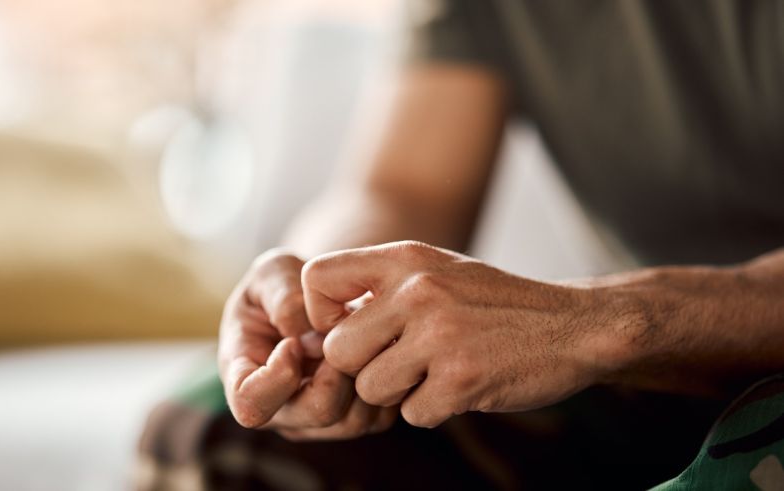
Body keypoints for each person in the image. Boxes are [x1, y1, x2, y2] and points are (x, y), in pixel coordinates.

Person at [139, 2, 784, 489]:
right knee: (213, 434)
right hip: (658, 374)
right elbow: (404, 187)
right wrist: (316, 298)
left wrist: (611, 323)